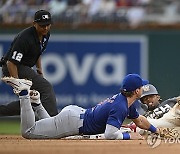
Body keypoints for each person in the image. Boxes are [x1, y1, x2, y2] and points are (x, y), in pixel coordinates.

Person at [1, 74, 159, 140]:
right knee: (28, 132)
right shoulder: (121, 106)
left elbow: (139, 120)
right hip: (73, 123)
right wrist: (130, 136)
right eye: (141, 87)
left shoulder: (126, 101)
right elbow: (110, 134)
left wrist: (155, 130)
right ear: (136, 91)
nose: (142, 89)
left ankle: (36, 103)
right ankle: (23, 93)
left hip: (75, 115)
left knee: (50, 125)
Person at [0, 10, 58, 116]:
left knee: (30, 100)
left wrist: (39, 70)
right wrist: (17, 83)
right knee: (46, 88)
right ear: (34, 24)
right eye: (42, 25)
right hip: (15, 67)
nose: (45, 28)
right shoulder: (25, 38)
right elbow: (11, 62)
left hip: (24, 67)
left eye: (47, 25)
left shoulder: (45, 34)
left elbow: (38, 51)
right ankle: (53, 121)